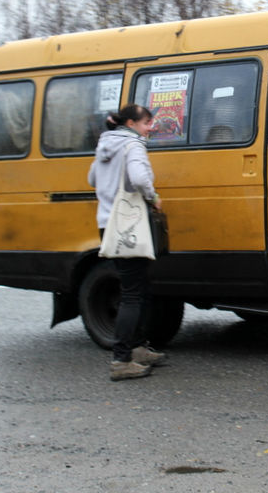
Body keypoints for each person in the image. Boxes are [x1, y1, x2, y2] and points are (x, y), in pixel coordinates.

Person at [88, 104, 167, 381]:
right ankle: (121, 360)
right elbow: (139, 178)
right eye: (147, 123)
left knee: (139, 287)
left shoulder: (105, 144)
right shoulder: (133, 145)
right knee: (133, 293)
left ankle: (138, 348)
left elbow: (91, 179)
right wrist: (152, 197)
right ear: (132, 123)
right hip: (129, 225)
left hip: (108, 224)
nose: (150, 127)